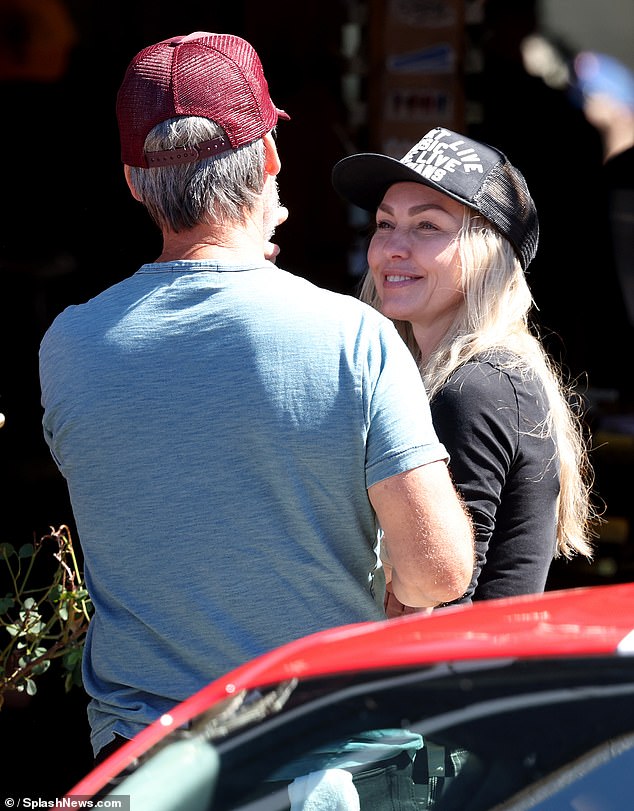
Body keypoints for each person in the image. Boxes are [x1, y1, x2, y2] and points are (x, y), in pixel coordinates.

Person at [38, 34, 474, 760]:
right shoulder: (355, 336)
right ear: (270, 158)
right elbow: (438, 572)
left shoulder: (69, 347)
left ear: (132, 181)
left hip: (143, 760)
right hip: (322, 756)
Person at [332, 126, 598, 616]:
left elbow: (440, 600)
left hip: (452, 682)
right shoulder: (468, 375)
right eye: (385, 224)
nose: (392, 247)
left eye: (427, 226)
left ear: (488, 252)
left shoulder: (477, 386)